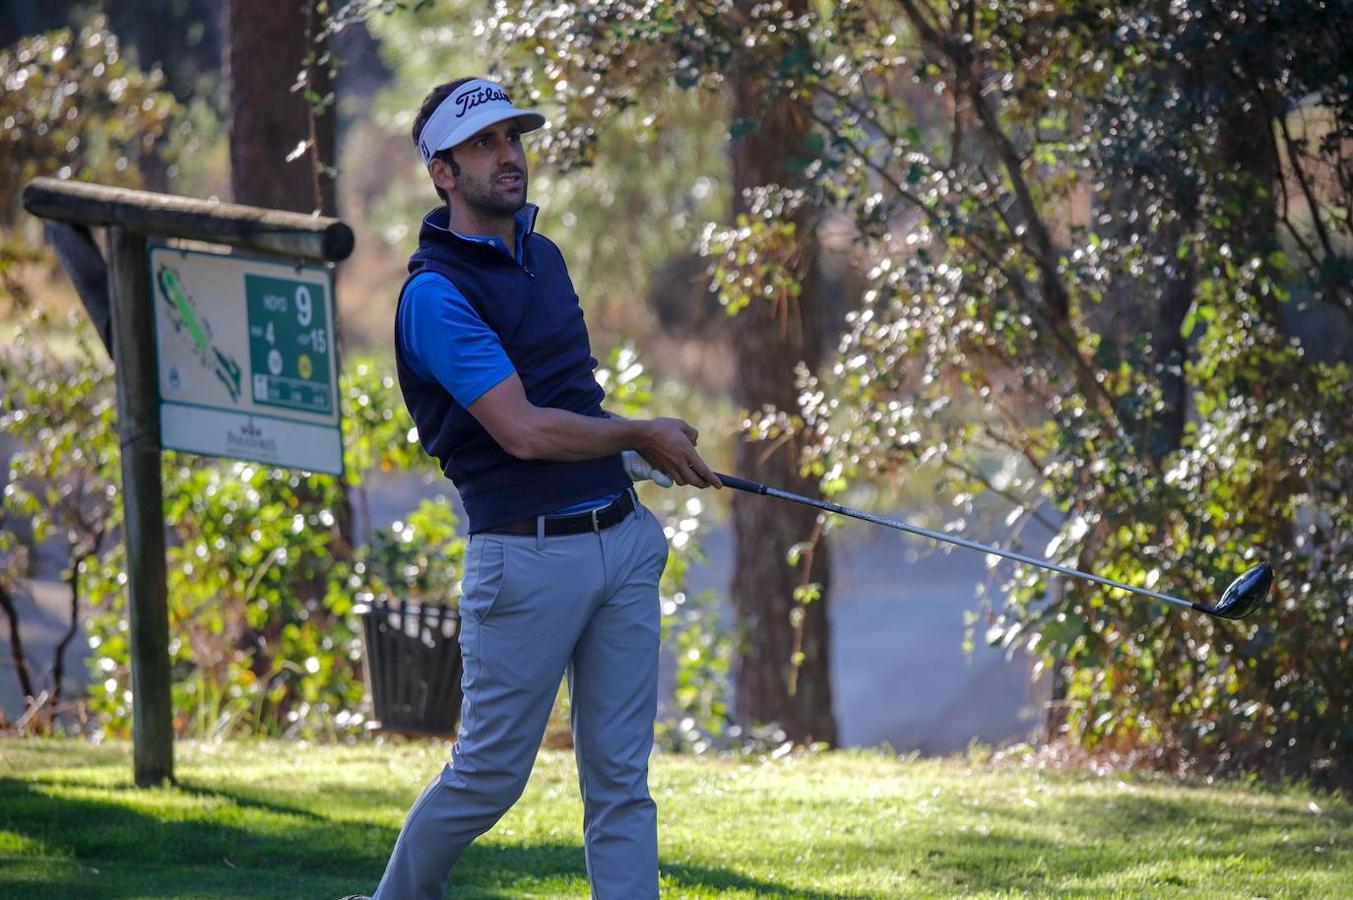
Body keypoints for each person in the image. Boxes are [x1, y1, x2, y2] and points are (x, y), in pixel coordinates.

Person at [360, 77, 721, 900]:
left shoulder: (543, 255)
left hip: (622, 546)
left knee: (621, 782)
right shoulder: (433, 297)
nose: (508, 154)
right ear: (442, 173)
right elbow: (520, 429)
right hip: (526, 563)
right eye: (483, 144)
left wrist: (632, 456)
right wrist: (639, 432)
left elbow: (568, 403)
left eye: (512, 137)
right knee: (488, 777)